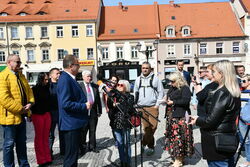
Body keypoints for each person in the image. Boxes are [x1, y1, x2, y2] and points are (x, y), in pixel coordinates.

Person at [189, 60, 241, 167]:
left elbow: (210, 120)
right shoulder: (233, 90)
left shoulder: (222, 92)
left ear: (221, 73)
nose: (212, 74)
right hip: (227, 139)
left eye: (214, 71)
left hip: (217, 141)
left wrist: (197, 120)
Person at [0, 54, 34, 167]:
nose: (19, 64)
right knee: (9, 145)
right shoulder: (2, 76)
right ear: (9, 62)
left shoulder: (21, 76)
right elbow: (4, 98)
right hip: (9, 117)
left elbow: (29, 91)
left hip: (21, 116)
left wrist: (30, 103)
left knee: (21, 144)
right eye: (17, 62)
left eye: (20, 62)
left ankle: (24, 165)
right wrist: (20, 109)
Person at [57, 54, 91, 167]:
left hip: (73, 123)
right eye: (78, 64)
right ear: (71, 66)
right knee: (70, 158)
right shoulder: (65, 79)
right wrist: (84, 106)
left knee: (73, 155)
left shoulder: (69, 78)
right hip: (70, 124)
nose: (79, 67)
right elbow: (65, 103)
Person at [134, 62, 164, 156]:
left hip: (152, 107)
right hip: (141, 108)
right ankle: (151, 147)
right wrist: (136, 104)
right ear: (141, 69)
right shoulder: (138, 79)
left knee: (153, 127)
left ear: (150, 69)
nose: (145, 69)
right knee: (146, 128)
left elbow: (161, 92)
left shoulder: (156, 79)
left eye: (147, 68)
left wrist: (157, 105)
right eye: (143, 68)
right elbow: (135, 92)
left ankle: (143, 143)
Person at [164, 72, 194, 167]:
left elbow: (186, 101)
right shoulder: (172, 88)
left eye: (173, 81)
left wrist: (173, 102)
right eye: (170, 81)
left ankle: (179, 160)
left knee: (179, 139)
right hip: (172, 116)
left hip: (180, 116)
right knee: (173, 139)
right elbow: (169, 97)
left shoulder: (185, 88)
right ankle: (178, 158)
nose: (171, 83)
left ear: (178, 80)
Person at [107, 80, 135, 167]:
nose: (119, 86)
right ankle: (122, 161)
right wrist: (111, 98)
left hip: (126, 122)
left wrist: (119, 104)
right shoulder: (114, 95)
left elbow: (130, 109)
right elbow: (109, 105)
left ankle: (128, 162)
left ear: (126, 86)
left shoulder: (130, 96)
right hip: (116, 122)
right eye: (118, 85)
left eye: (121, 85)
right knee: (120, 143)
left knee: (127, 143)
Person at [31, 72, 52, 167]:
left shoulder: (48, 88)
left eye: (48, 79)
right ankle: (41, 160)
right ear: (41, 79)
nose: (47, 81)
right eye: (45, 79)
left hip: (47, 114)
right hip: (37, 115)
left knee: (46, 137)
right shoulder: (34, 89)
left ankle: (47, 157)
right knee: (39, 138)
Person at [79, 70, 102, 154]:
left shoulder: (95, 86)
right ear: (83, 77)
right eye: (88, 76)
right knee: (83, 131)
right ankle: (82, 147)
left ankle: (92, 146)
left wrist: (99, 110)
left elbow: (98, 100)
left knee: (93, 130)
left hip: (93, 112)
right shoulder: (79, 86)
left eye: (90, 76)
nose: (90, 78)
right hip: (83, 112)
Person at [48, 68, 65, 157]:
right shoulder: (48, 86)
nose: (59, 75)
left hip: (61, 112)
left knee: (62, 132)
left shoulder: (61, 85)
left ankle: (63, 151)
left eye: (59, 73)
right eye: (57, 73)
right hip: (50, 113)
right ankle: (49, 153)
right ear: (51, 75)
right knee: (50, 134)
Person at [238, 75, 250, 167]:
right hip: (241, 119)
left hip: (248, 119)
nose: (241, 82)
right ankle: (248, 160)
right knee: (246, 141)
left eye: (244, 80)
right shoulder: (240, 91)